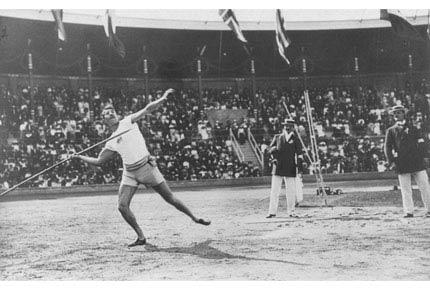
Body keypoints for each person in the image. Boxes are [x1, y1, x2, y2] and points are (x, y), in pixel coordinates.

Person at [73, 88, 211, 247]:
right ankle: (141, 236)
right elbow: (99, 161)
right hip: (129, 172)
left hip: (147, 168)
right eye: (107, 113)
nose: (111, 113)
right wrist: (79, 157)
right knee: (122, 206)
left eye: (112, 111)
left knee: (170, 198)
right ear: (103, 120)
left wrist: (163, 98)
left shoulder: (128, 121)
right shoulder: (110, 141)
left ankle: (195, 218)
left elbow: (147, 109)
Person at [384, 105, 430, 218]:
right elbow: (387, 148)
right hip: (402, 162)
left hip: (417, 161)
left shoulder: (414, 128)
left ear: (404, 114)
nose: (396, 115)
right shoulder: (390, 131)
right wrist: (391, 162)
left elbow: (422, 143)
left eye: (399, 112)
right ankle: (409, 211)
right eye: (394, 113)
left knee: (425, 186)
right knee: (405, 189)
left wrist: (425, 157)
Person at [266, 118, 304, 218]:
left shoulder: (296, 139)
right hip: (278, 166)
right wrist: (272, 152)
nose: (287, 128)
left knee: (291, 191)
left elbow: (300, 154)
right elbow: (269, 149)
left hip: (290, 167)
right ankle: (272, 212)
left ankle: (291, 211)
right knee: (274, 191)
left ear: (293, 128)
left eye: (289, 126)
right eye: (286, 126)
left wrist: (299, 168)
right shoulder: (277, 137)